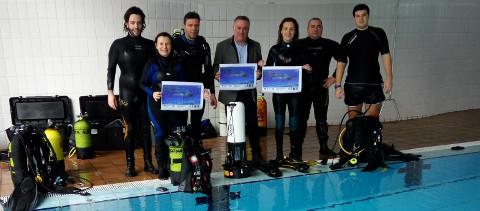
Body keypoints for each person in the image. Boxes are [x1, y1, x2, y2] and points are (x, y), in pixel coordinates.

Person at [106, 6, 156, 177]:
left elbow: (157, 69)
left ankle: (149, 163)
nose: (136, 26)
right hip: (127, 92)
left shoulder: (150, 45)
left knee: (146, 128)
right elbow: (111, 69)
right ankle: (130, 164)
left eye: (139, 23)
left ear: (143, 24)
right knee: (130, 128)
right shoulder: (118, 45)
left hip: (145, 93)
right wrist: (110, 92)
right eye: (133, 22)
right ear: (126, 24)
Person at [213, 16, 264, 162]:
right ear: (234, 28)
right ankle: (233, 156)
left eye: (245, 28)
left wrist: (259, 72)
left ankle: (256, 154)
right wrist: (217, 75)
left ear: (249, 29)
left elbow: (258, 69)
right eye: (239, 28)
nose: (242, 31)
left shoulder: (256, 46)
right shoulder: (222, 46)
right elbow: (216, 66)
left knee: (253, 124)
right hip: (230, 94)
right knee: (232, 127)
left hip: (249, 92)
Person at [141, 32, 187, 179]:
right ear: (156, 45)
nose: (164, 46)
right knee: (160, 134)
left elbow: (184, 85)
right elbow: (142, 83)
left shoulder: (178, 64)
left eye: (167, 43)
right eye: (161, 43)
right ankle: (161, 167)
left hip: (174, 106)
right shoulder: (151, 63)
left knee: (173, 135)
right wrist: (152, 93)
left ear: (171, 45)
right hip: (156, 106)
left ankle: (171, 165)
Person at [335, 3, 393, 119]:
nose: (361, 18)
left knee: (371, 121)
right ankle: (356, 137)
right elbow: (341, 62)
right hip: (353, 85)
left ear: (368, 16)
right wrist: (337, 85)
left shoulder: (378, 33)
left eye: (363, 15)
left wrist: (389, 78)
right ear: (354, 18)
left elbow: (386, 56)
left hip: (374, 84)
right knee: (353, 122)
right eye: (358, 16)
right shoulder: (347, 37)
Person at [265, 17, 311, 161]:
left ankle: (294, 153)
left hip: (295, 94)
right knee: (279, 124)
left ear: (295, 31)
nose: (288, 31)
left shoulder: (301, 49)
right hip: (279, 94)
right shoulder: (274, 49)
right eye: (285, 28)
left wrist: (308, 69)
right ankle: (279, 154)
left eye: (291, 29)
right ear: (281, 30)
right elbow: (267, 71)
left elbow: (307, 67)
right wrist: (261, 66)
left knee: (294, 124)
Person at [298, 17, 343, 159]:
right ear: (308, 28)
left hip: (321, 88)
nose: (315, 29)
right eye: (312, 26)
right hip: (303, 89)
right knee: (301, 119)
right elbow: (287, 61)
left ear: (322, 28)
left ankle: (324, 148)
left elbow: (343, 58)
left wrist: (335, 77)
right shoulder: (299, 44)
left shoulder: (329, 44)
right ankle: (297, 148)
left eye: (318, 26)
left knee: (321, 119)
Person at [173, 11, 217, 141]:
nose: (194, 28)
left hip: (198, 89)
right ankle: (183, 154)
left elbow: (208, 69)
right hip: (180, 89)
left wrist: (212, 92)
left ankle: (197, 149)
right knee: (180, 123)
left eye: (196, 25)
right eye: (190, 25)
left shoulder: (203, 44)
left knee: (196, 122)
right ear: (184, 26)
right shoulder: (175, 43)